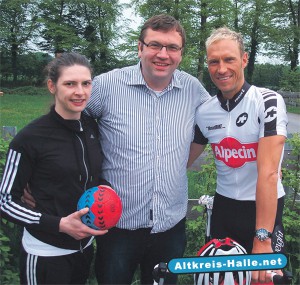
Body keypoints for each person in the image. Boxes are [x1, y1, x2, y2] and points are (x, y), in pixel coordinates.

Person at [84, 14, 210, 285]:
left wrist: (263, 161)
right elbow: (64, 120)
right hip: (118, 224)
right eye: (155, 45)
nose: (163, 54)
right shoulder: (107, 86)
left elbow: (221, 126)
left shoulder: (193, 90)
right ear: (140, 47)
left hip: (170, 225)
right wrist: (41, 172)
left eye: (172, 47)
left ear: (181, 53)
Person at [188, 27, 288, 283]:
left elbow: (267, 173)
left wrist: (262, 239)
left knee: (261, 279)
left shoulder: (267, 101)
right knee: (221, 280)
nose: (221, 68)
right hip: (224, 208)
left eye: (229, 59)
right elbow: (183, 160)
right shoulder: (205, 111)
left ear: (244, 59)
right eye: (214, 61)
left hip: (262, 210)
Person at [0, 52, 109, 284]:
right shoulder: (29, 138)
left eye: (86, 83)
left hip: (84, 249)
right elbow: (5, 201)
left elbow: (92, 177)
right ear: (52, 86)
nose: (80, 92)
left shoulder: (90, 128)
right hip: (45, 253)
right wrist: (59, 225)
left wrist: (107, 196)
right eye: (70, 84)